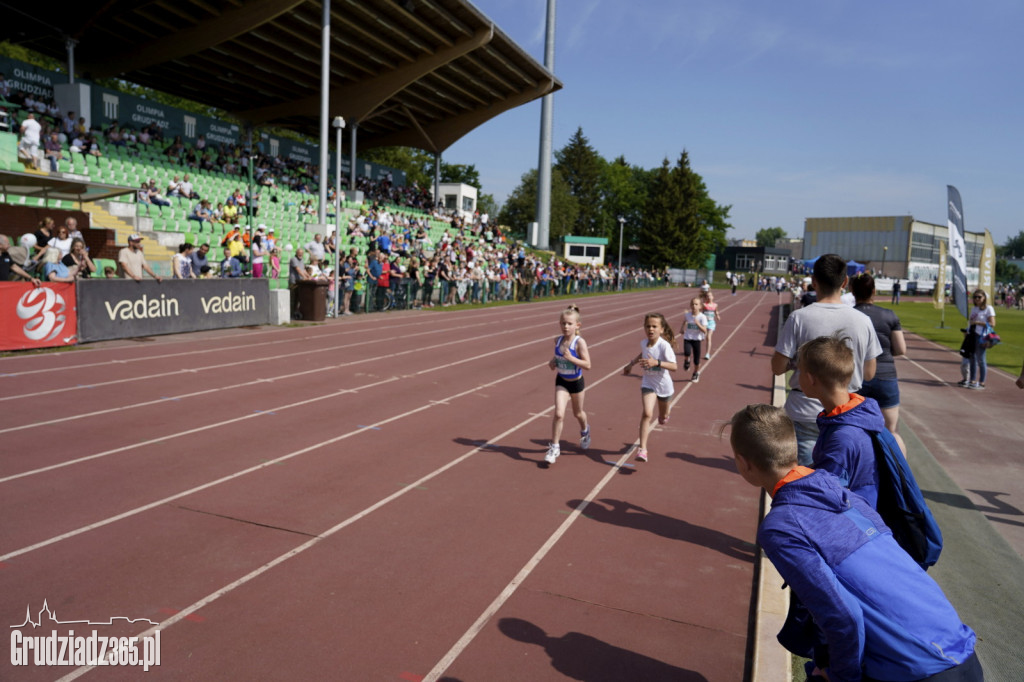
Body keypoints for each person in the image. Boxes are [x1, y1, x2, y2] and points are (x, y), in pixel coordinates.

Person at [728, 404, 982, 682]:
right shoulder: (844, 492)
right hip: (959, 646)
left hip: (917, 668)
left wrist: (841, 677)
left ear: (743, 463)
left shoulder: (781, 527)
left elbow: (843, 616)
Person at [771, 254, 881, 465]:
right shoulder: (863, 321)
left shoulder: (799, 317)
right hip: (846, 411)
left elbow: (777, 367)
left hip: (804, 410)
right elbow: (868, 373)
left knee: (807, 484)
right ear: (845, 282)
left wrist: (797, 363)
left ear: (814, 282)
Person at [851, 273, 907, 454]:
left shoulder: (849, 315)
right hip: (885, 376)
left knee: (853, 430)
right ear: (874, 291)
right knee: (891, 431)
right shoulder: (889, 315)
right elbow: (901, 349)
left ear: (852, 291)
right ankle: (900, 477)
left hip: (856, 377)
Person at [622, 312, 678, 463]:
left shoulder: (664, 346)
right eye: (648, 326)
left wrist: (657, 363)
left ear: (661, 329)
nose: (651, 329)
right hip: (648, 383)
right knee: (647, 413)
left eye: (654, 326)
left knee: (663, 416)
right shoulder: (643, 343)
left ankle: (664, 415)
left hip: (664, 386)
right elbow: (643, 353)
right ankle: (643, 449)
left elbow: (674, 366)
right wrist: (631, 364)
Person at [544, 305, 593, 465]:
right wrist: (553, 362)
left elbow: (587, 365)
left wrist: (572, 359)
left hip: (576, 383)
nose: (566, 326)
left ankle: (585, 431)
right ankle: (554, 447)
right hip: (562, 381)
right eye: (563, 323)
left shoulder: (580, 343)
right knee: (559, 414)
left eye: (569, 324)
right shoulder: (557, 340)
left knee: (578, 413)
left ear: (577, 325)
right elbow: (558, 356)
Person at [965, 289, 995, 390]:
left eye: (979, 297)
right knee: (972, 358)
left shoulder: (988, 309)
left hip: (982, 336)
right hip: (972, 335)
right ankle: (972, 380)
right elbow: (970, 322)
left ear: (984, 298)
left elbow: (992, 324)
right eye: (975, 297)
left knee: (981, 359)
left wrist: (978, 323)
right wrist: (967, 331)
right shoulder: (974, 309)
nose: (977, 299)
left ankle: (982, 382)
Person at [680, 296, 708, 383]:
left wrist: (698, 324)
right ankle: (686, 361)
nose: (694, 306)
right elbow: (684, 321)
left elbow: (704, 330)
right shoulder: (687, 315)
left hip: (697, 339)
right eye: (692, 304)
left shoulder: (702, 317)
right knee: (687, 352)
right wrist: (682, 328)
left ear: (700, 306)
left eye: (696, 304)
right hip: (688, 338)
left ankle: (695, 373)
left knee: (696, 360)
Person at [701, 289, 721, 360]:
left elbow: (716, 311)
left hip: (711, 323)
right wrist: (703, 316)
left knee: (709, 338)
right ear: (706, 297)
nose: (709, 297)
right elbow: (700, 312)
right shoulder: (704, 305)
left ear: (713, 297)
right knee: (704, 335)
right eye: (707, 296)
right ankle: (703, 334)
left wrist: (718, 316)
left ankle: (707, 353)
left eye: (710, 296)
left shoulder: (715, 305)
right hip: (704, 323)